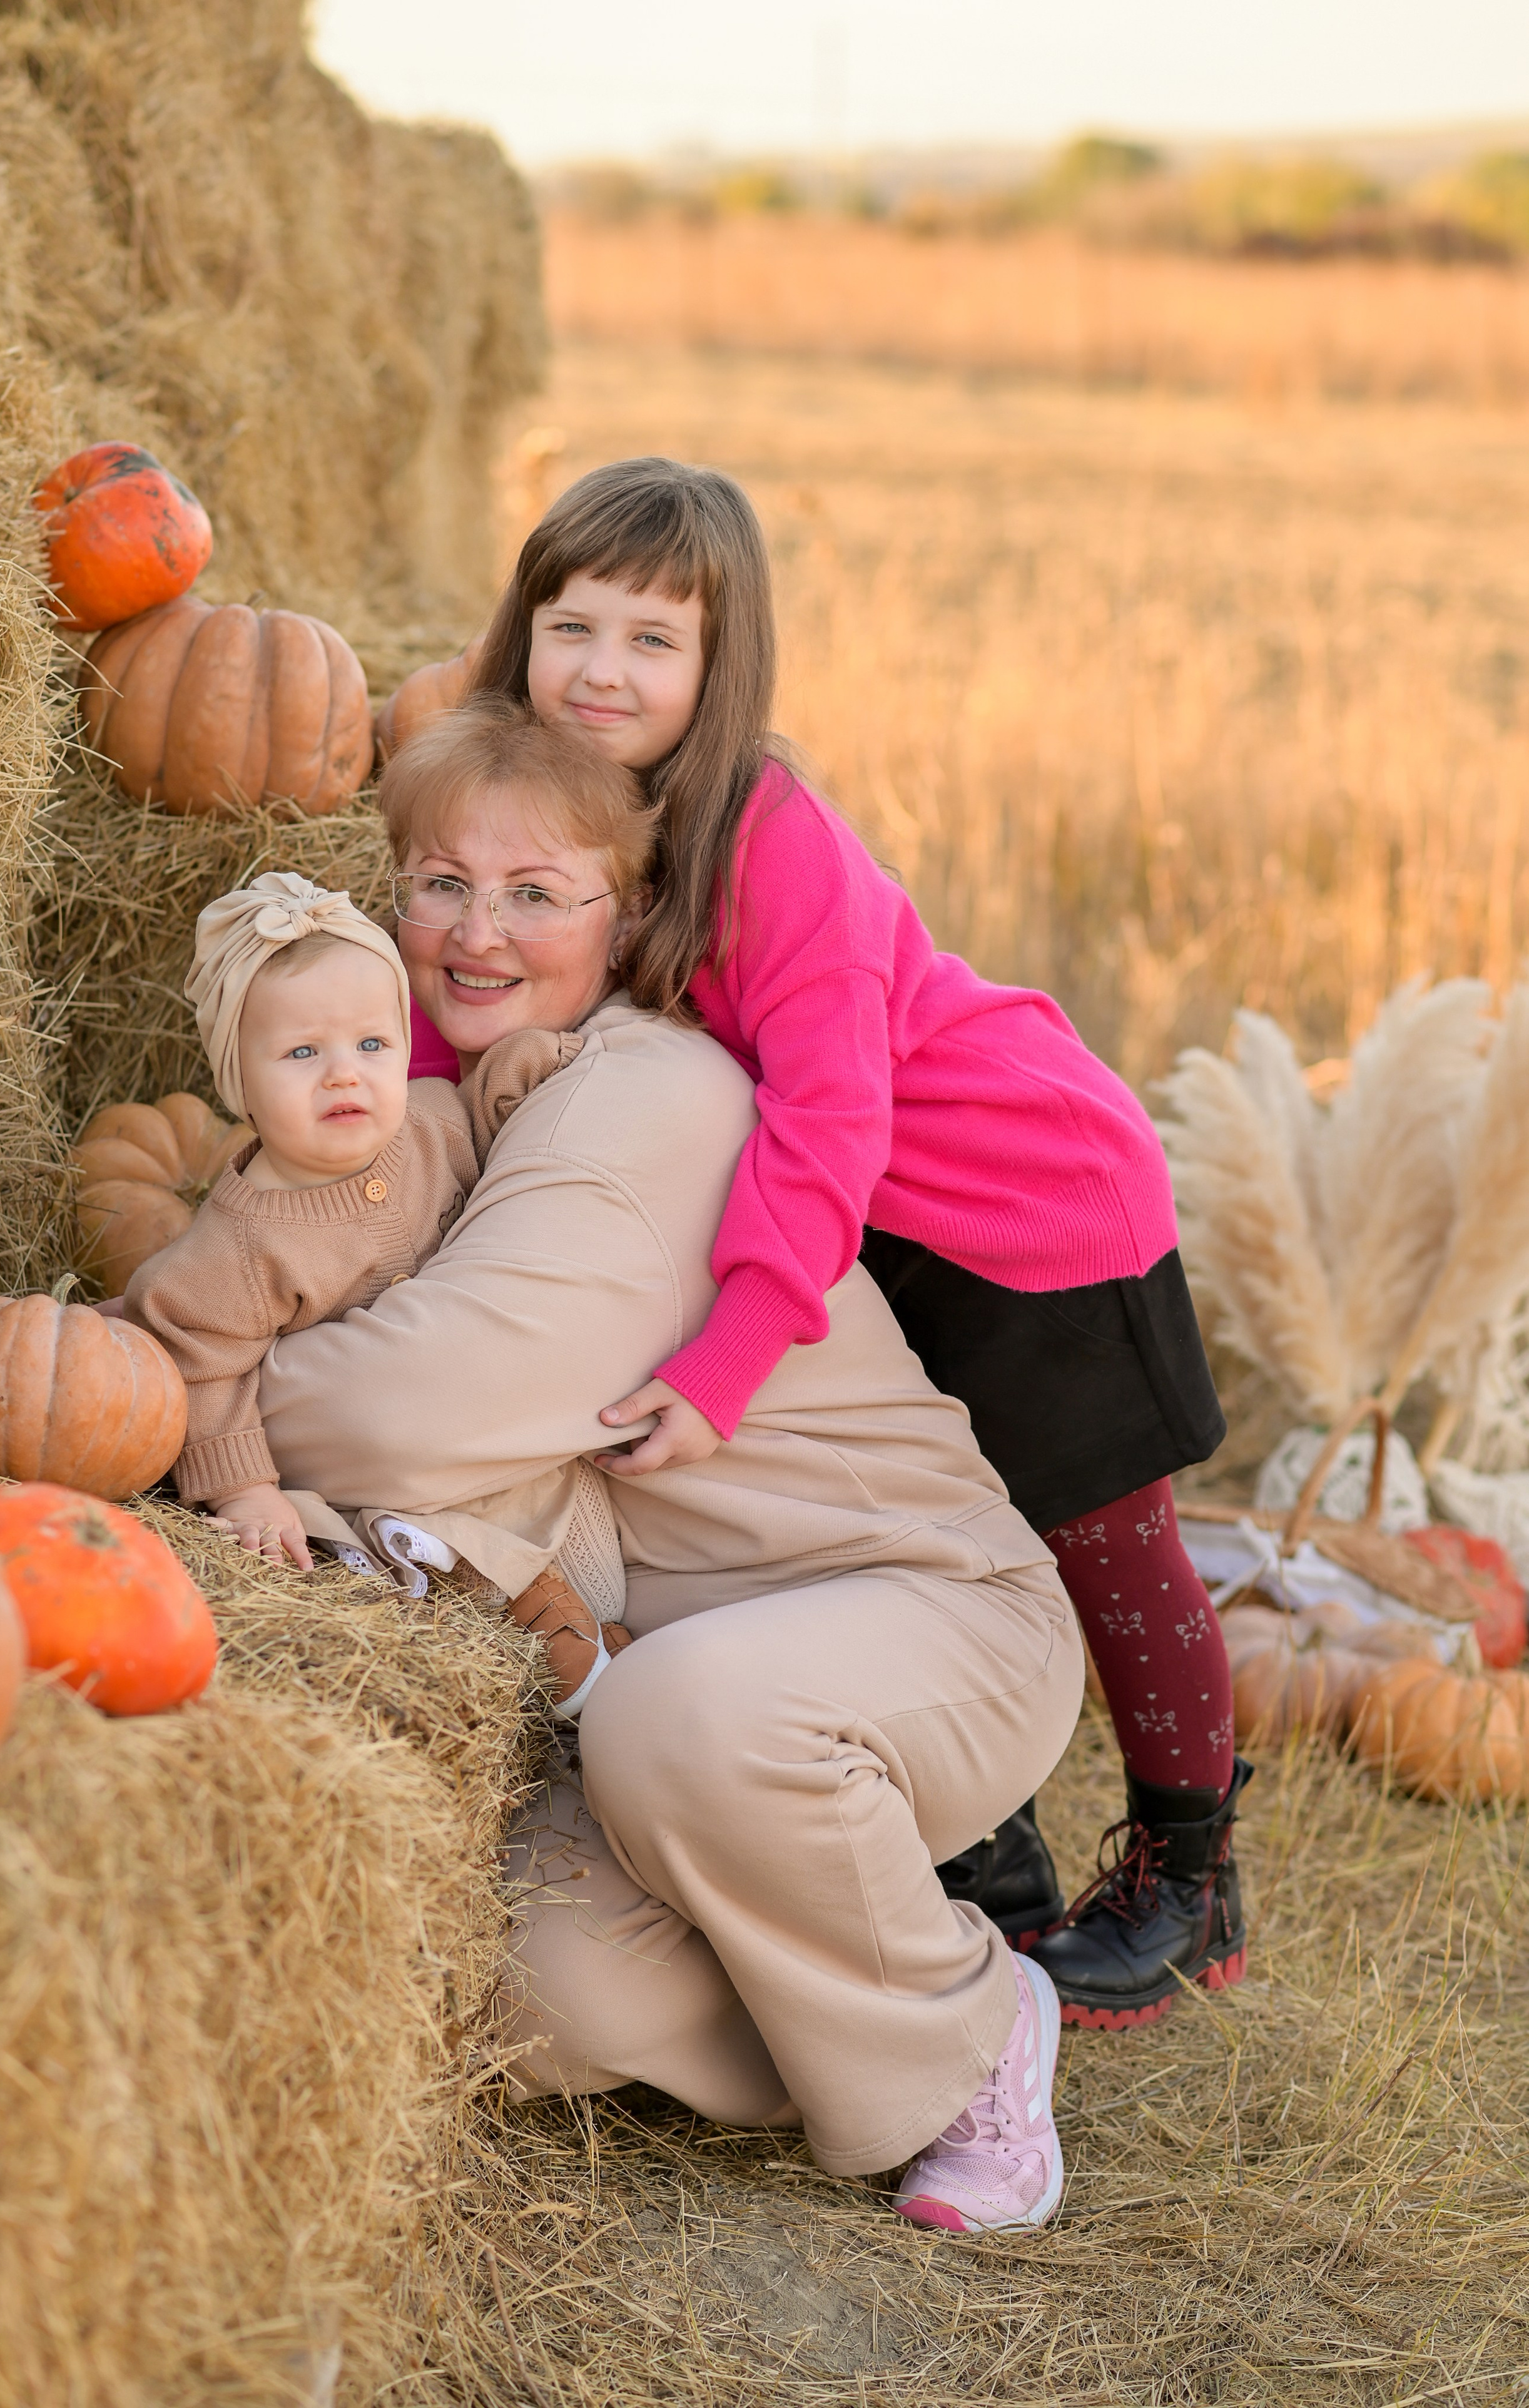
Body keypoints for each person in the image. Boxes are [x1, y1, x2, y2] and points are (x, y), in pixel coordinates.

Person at [434, 455, 1251, 2034]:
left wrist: (735, 1350)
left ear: (716, 667)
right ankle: (983, 1867)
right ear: (519, 630)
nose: (602, 671)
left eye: (652, 641)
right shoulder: (544, 807)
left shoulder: (766, 834)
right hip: (861, 1214)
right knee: (929, 1521)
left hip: (1025, 1200)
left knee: (1100, 1540)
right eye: (572, 625)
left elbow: (826, 1113)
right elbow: (469, 959)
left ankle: (1185, 1878)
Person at [251, 696, 1087, 2233]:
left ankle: (972, 2021)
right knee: (537, 1985)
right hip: (690, 1693)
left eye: (534, 894)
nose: (474, 933)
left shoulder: (649, 1096)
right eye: (439, 884)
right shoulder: (457, 1113)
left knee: (681, 1718)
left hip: (929, 1620)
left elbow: (407, 1413)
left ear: (625, 913)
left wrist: (176, 1395)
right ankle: (852, 1971)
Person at [116, 865, 625, 1689]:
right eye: (303, 1052)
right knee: (421, 1540)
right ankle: (567, 1652)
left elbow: (487, 1112)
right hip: (369, 1461)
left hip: (466, 1404)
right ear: (237, 1080)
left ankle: (595, 1631)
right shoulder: (241, 1243)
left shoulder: (425, 1123)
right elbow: (196, 1357)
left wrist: (545, 1063)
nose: (345, 1073)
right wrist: (244, 1490)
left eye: (371, 1044)